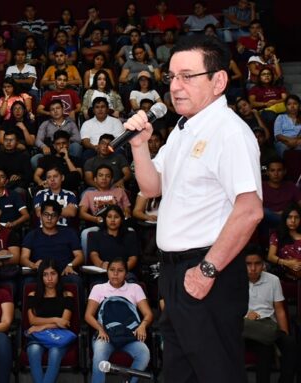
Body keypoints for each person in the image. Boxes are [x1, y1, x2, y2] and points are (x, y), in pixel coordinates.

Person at [124, 34, 263, 382]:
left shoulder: (228, 132)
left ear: (219, 80)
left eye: (188, 76)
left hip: (206, 272)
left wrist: (207, 271)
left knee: (217, 372)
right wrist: (139, 146)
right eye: (172, 77)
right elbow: (152, 187)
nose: (176, 85)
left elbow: (250, 210)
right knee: (179, 373)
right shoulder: (183, 129)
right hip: (176, 274)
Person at [85, 258, 152, 383]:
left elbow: (148, 314)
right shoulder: (98, 288)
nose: (115, 274)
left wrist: (142, 326)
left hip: (129, 336)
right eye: (112, 270)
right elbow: (88, 315)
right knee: (99, 352)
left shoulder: (135, 288)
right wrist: (101, 329)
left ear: (126, 273)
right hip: (106, 335)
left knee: (144, 353)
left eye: (120, 271)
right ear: (107, 272)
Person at [243, 246, 299, 383]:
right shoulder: (236, 282)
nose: (253, 268)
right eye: (248, 264)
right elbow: (229, 311)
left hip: (269, 325)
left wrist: (284, 332)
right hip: (247, 328)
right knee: (265, 347)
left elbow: (279, 309)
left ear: (263, 264)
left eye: (257, 263)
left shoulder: (273, 280)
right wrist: (245, 315)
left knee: (290, 344)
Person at [26, 259, 75, 383]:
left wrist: (42, 326)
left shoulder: (67, 295)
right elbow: (32, 320)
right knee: (33, 350)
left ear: (59, 275)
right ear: (41, 277)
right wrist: (55, 320)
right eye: (45, 274)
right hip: (38, 336)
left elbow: (64, 322)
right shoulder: (33, 295)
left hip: (59, 336)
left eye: (53, 273)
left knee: (54, 352)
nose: (49, 278)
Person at [21, 200, 84, 291]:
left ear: (59, 218)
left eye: (53, 215)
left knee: (76, 281)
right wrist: (33, 265)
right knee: (27, 282)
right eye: (46, 214)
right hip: (40, 274)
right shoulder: (32, 234)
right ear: (41, 216)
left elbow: (80, 256)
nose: (49, 218)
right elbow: (23, 258)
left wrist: (70, 265)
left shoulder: (69, 233)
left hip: (62, 273)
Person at [88, 205, 139, 281]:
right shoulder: (95, 235)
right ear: (105, 219)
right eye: (109, 217)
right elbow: (93, 255)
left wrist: (121, 270)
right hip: (103, 272)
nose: (112, 220)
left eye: (116, 217)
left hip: (125, 273)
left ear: (121, 219)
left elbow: (133, 258)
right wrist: (101, 264)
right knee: (97, 284)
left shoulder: (130, 235)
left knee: (131, 281)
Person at [267, 205, 301, 280]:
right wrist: (287, 263)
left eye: (296, 217)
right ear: (285, 219)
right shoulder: (277, 235)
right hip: (284, 275)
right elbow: (270, 256)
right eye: (289, 217)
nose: (293, 220)